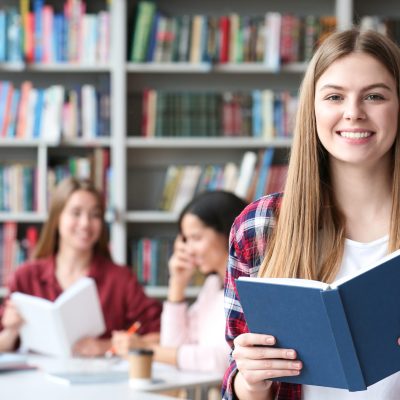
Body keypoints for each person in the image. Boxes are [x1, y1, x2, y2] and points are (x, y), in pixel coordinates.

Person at [223, 28, 400, 400]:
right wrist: (250, 381)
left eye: (374, 96)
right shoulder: (260, 227)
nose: (354, 113)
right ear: (313, 108)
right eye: (335, 96)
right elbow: (237, 380)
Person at [0, 177, 162, 357]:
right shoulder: (25, 276)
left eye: (95, 215)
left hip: (102, 382)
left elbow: (157, 337)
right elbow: (4, 345)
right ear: (57, 218)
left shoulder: (121, 279)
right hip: (38, 381)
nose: (85, 224)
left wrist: (105, 346)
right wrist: (10, 331)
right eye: (76, 213)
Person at [112, 190, 247, 374]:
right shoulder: (213, 286)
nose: (188, 250)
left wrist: (147, 350)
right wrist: (177, 283)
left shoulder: (246, 289)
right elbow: (174, 345)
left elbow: (225, 360)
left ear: (229, 232)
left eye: (196, 238)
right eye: (186, 239)